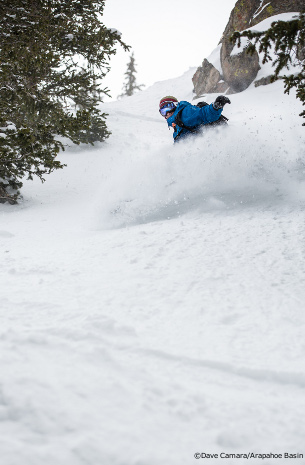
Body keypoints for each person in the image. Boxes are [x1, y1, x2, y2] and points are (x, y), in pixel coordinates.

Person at [159, 95, 231, 142]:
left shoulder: (185, 113)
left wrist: (215, 107)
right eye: (163, 111)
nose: (167, 112)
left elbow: (202, 114)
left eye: (169, 107)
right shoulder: (176, 127)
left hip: (213, 144)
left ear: (175, 105)